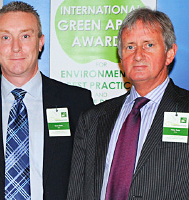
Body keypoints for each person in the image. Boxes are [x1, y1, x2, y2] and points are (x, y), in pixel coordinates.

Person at [0, 1, 93, 200]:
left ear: (40, 42)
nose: (16, 48)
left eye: (25, 36)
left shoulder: (76, 102)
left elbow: (92, 173)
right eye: (6, 37)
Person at [67, 8, 189, 199]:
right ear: (121, 57)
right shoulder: (92, 119)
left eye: (148, 45)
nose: (138, 55)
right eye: (130, 47)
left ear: (169, 53)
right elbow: (76, 192)